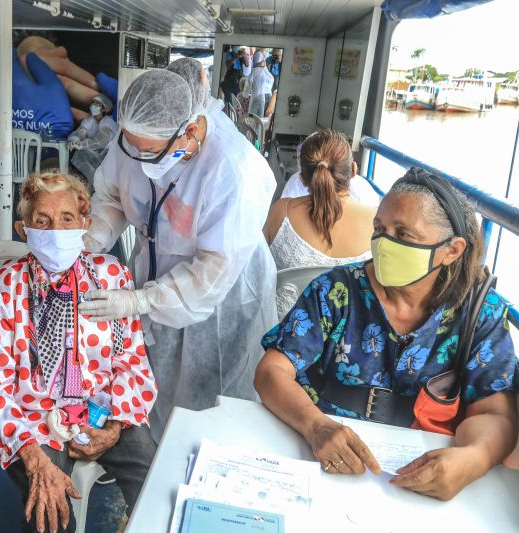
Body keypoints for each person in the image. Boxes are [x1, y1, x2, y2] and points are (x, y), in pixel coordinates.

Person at [255, 168, 517, 500]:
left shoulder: (479, 311)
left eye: (404, 234)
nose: (384, 243)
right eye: (379, 229)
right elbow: (272, 371)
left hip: (423, 465)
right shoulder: (338, 290)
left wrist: (474, 458)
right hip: (323, 445)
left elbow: (494, 410)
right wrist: (315, 425)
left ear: (451, 251)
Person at [81, 70, 278, 440]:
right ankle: (150, 454)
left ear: (190, 130)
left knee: (212, 396)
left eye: (149, 151)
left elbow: (213, 270)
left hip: (224, 293)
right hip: (158, 266)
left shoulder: (233, 170)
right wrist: (93, 238)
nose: (138, 158)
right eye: (131, 146)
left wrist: (141, 299)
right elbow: (111, 195)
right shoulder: (136, 136)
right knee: (156, 378)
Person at [0, 172, 157, 532]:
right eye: (42, 220)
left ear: (84, 224)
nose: (55, 230)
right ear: (24, 229)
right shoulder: (3, 289)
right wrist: (33, 457)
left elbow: (131, 360)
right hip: (34, 420)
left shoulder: (111, 277)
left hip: (105, 407)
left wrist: (115, 424)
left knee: (156, 481)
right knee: (52, 514)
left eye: (67, 218)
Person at [263, 130, 376, 317]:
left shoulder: (281, 212)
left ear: (302, 177)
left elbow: (258, 267)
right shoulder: (377, 222)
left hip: (281, 334)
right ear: (354, 170)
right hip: (347, 341)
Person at [68, 93, 118, 182]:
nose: (93, 106)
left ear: (104, 108)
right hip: (95, 152)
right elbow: (81, 131)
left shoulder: (108, 123)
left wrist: (81, 145)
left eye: (97, 104)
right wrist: (75, 139)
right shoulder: (89, 120)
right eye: (93, 103)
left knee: (81, 154)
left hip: (107, 155)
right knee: (80, 154)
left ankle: (98, 186)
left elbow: (100, 142)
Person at [249, 51, 274, 117]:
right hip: (269, 99)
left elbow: (247, 90)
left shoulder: (253, 72)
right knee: (265, 121)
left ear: (254, 62)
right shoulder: (268, 74)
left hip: (258, 98)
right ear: (263, 60)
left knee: (256, 120)